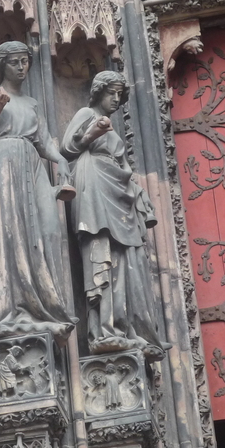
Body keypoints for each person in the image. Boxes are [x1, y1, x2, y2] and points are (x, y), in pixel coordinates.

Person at [61, 71, 168, 360]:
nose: (116, 100)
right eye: (112, 93)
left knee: (126, 260)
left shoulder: (115, 134)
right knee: (101, 254)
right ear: (98, 92)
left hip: (117, 193)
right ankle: (103, 331)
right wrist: (93, 133)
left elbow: (124, 169)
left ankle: (127, 328)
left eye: (120, 95)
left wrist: (137, 192)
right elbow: (67, 149)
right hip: (94, 186)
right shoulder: (86, 114)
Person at [0, 41, 76, 341]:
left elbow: (43, 141)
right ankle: (14, 304)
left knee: (50, 228)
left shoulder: (31, 103)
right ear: (1, 65)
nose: (21, 67)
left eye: (25, 61)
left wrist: (61, 160)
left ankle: (48, 302)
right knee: (11, 229)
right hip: (3, 158)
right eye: (14, 62)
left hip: (32, 161)